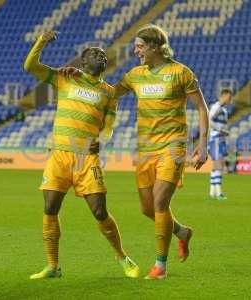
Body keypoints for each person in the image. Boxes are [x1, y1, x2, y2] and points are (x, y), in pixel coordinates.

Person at [61, 24, 209, 279]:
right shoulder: (135, 75)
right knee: (147, 208)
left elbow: (202, 108)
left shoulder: (180, 73)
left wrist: (202, 144)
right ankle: (181, 231)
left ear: (154, 47)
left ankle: (160, 265)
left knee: (161, 203)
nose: (135, 50)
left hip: (172, 147)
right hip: (145, 149)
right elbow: (107, 93)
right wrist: (81, 75)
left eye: (140, 46)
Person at [24, 31, 139, 279]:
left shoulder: (109, 92)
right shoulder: (66, 79)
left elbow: (109, 125)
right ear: (82, 62)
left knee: (99, 211)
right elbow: (30, 66)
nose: (100, 55)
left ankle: (122, 256)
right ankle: (53, 266)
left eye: (102, 54)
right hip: (59, 155)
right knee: (50, 207)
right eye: (93, 53)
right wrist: (41, 42)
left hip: (87, 158)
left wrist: (102, 140)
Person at [208, 88, 233, 200]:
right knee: (219, 165)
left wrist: (225, 131)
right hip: (216, 138)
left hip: (221, 139)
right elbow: (209, 121)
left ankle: (212, 192)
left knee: (217, 165)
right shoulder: (216, 107)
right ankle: (219, 193)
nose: (230, 99)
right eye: (229, 97)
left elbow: (223, 125)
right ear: (223, 95)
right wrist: (221, 130)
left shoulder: (224, 110)